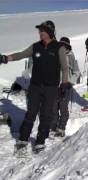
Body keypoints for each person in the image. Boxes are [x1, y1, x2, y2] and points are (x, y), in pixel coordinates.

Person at [0, 20, 70, 154]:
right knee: (31, 113)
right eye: (39, 31)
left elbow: (65, 68)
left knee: (46, 115)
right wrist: (5, 58)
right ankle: (23, 139)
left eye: (42, 31)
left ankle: (40, 141)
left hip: (51, 88)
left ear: (49, 32)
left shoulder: (59, 47)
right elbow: (21, 55)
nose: (40, 33)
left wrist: (64, 84)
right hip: (35, 87)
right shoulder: (35, 46)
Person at [51, 37, 80, 137]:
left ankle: (61, 129)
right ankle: (53, 127)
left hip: (66, 87)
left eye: (64, 45)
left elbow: (77, 72)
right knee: (53, 109)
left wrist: (70, 83)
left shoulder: (71, 57)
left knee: (63, 108)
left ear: (67, 46)